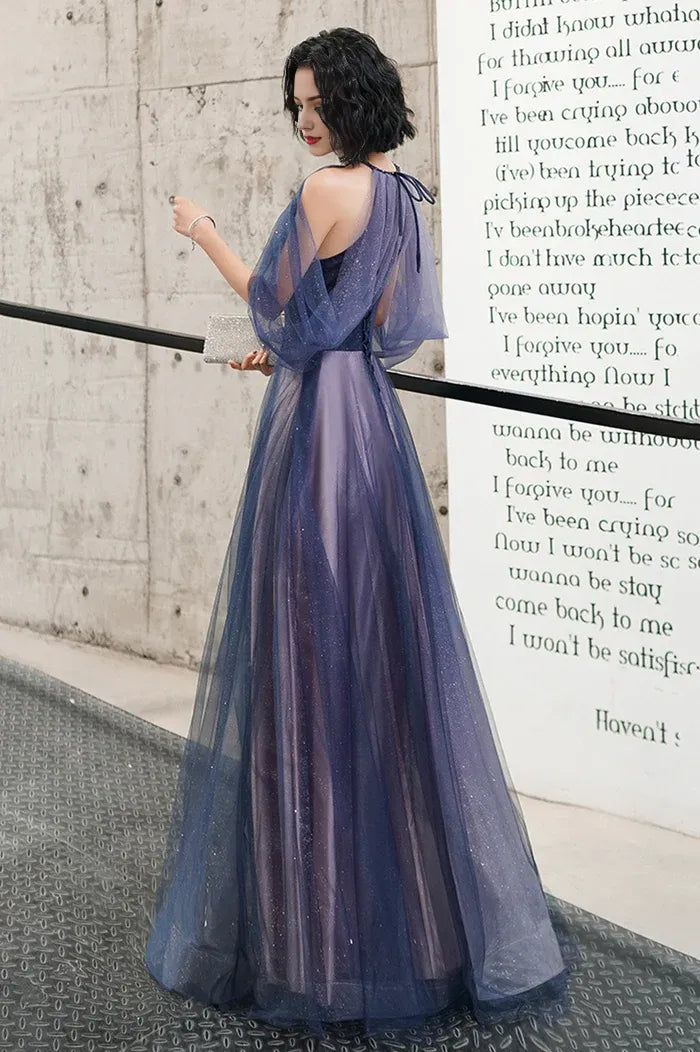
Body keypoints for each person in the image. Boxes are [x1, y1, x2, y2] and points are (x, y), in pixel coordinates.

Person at [144, 25, 573, 1038]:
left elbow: (271, 308)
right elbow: (378, 329)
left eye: (316, 103)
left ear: (350, 99)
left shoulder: (326, 192)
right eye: (296, 105)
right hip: (372, 429)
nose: (305, 120)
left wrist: (203, 230)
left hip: (317, 438)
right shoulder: (404, 198)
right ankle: (416, 934)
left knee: (307, 665)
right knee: (380, 666)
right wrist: (299, 341)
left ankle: (316, 948)